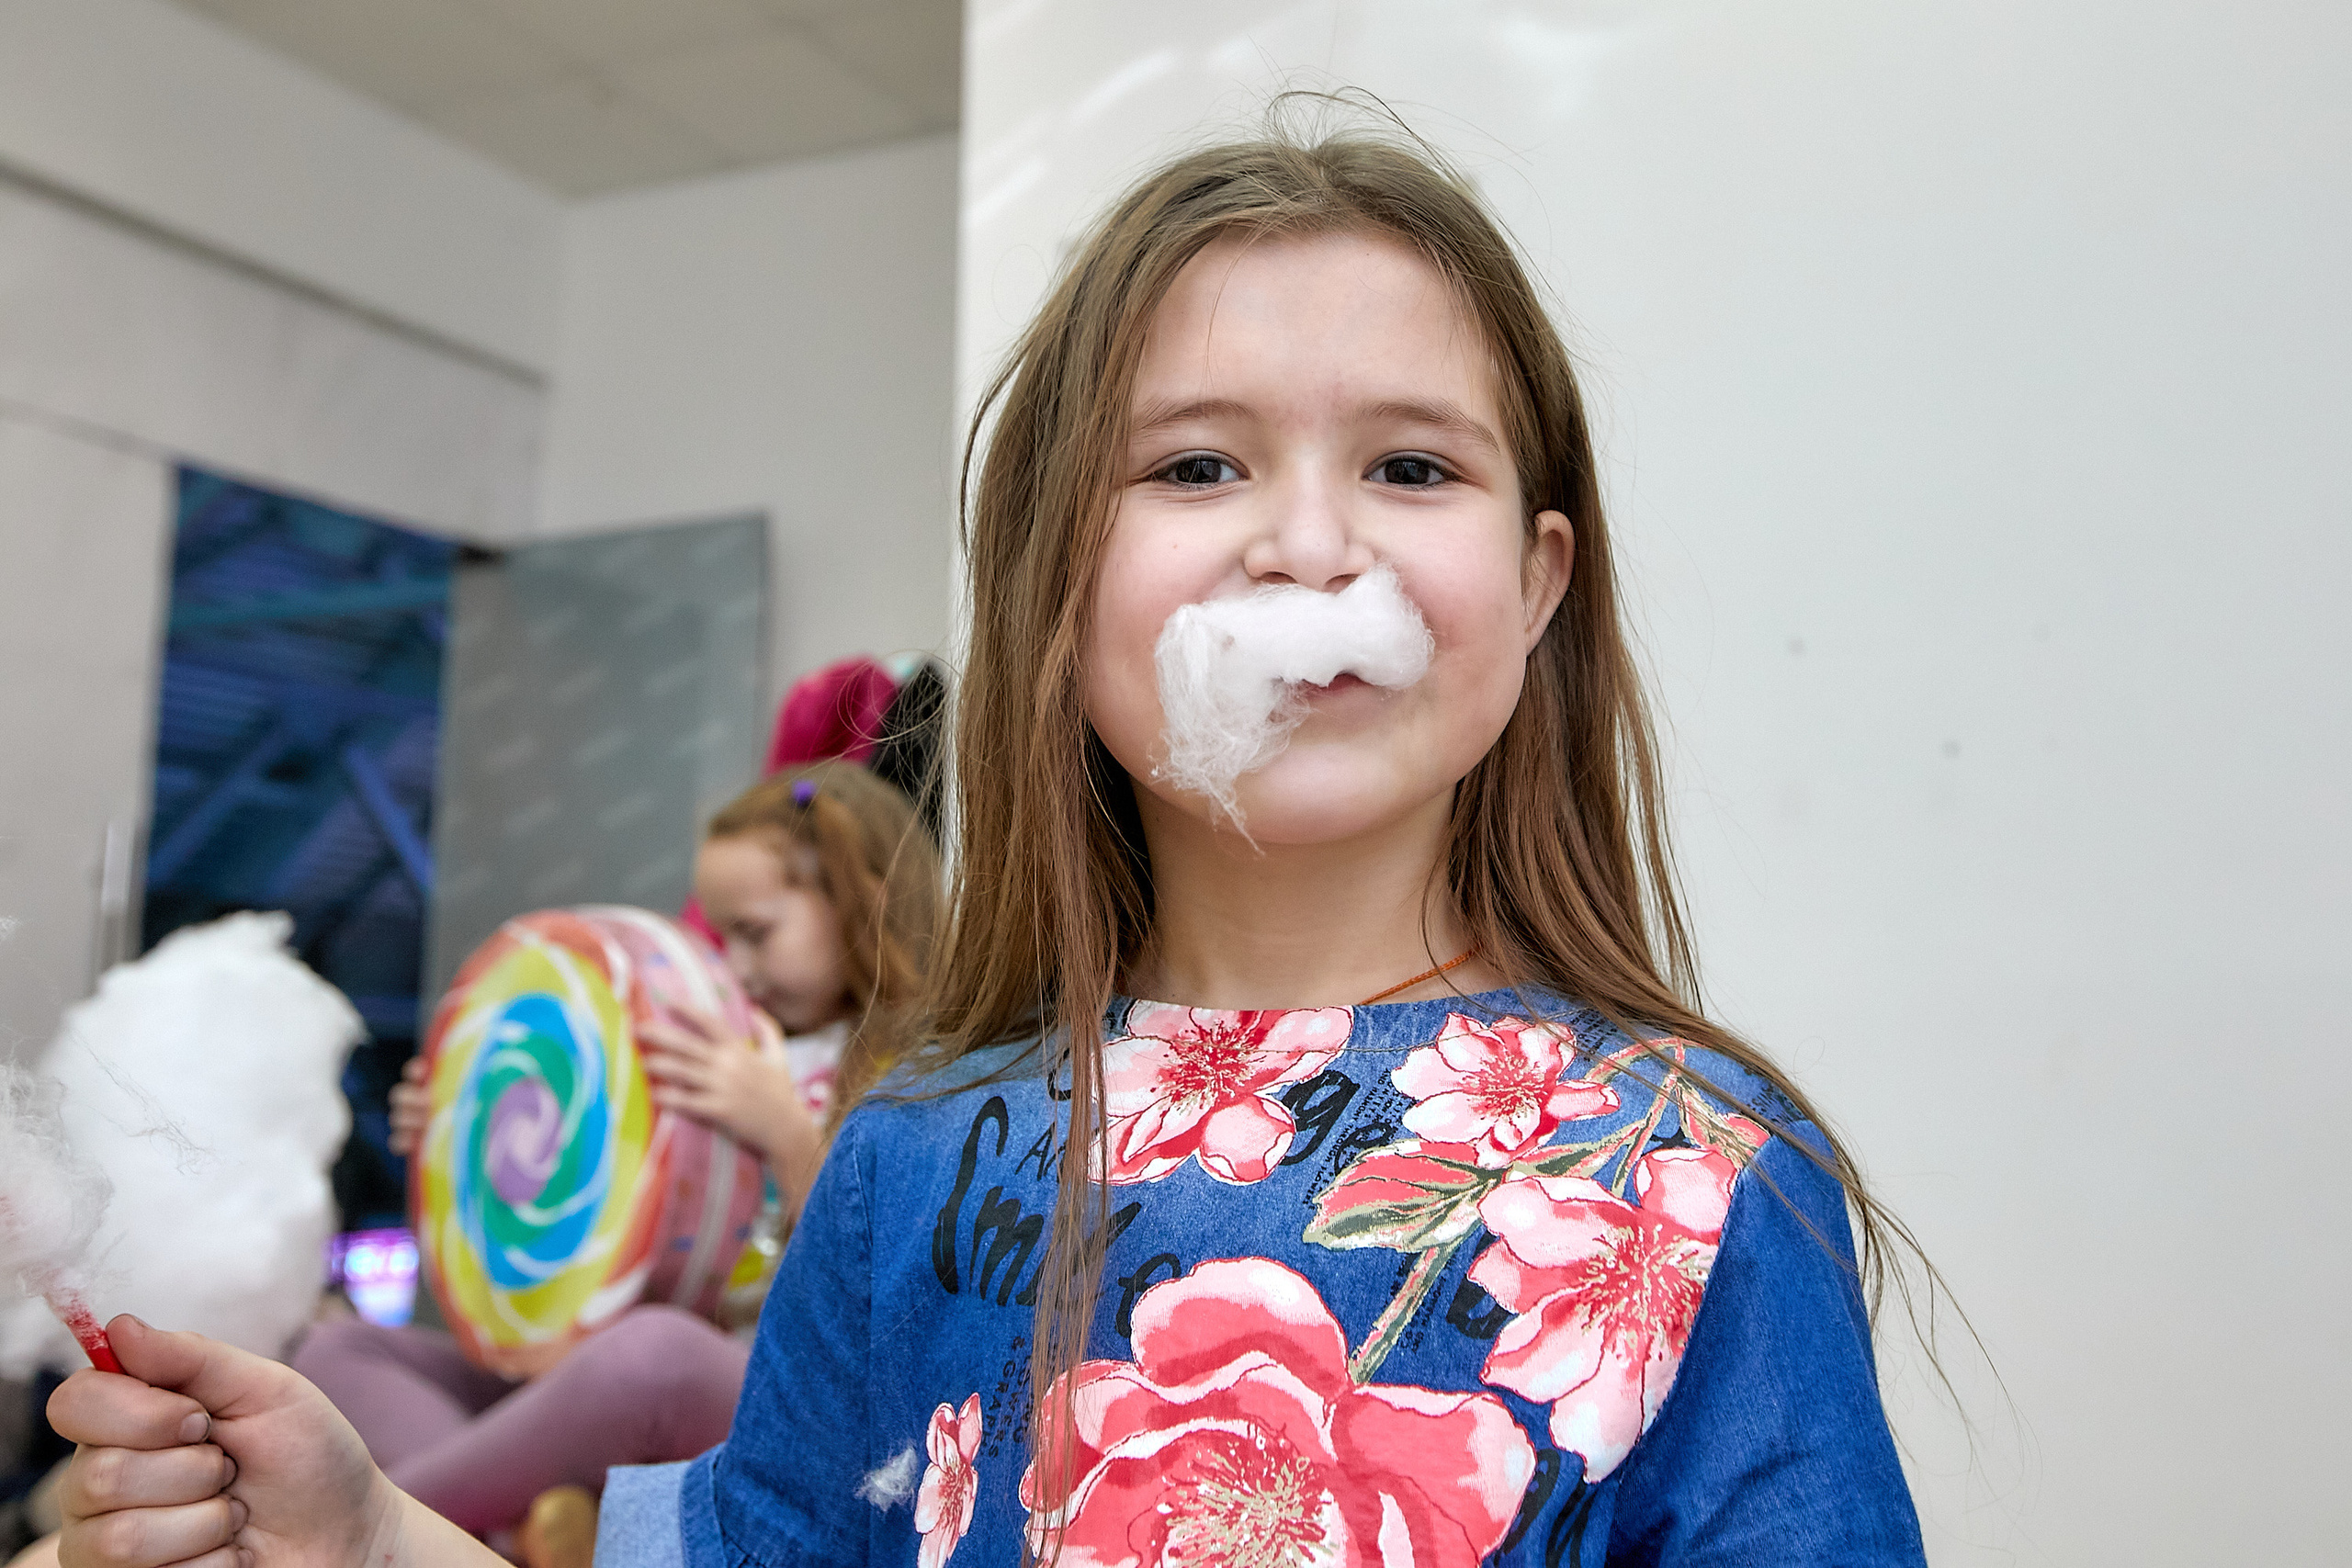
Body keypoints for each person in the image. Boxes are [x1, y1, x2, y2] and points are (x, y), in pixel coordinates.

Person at [43, 120, 1928, 1567]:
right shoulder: (905, 1157)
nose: (1304, 541)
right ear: (1054, 594)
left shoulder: (1702, 1183)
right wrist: (372, 1527)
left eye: (1409, 464)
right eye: (1196, 464)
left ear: (1529, 595)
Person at [284, 759, 938, 1557]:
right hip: (616, 1368)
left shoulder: (921, 1071)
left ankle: (369, 1519)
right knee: (341, 1348)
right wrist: (459, 1124)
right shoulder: (712, 1045)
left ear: (862, 901)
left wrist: (789, 1137)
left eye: (757, 932)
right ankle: (512, 1528)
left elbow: (899, 1303)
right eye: (719, 934)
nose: (733, 966)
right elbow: (623, 1227)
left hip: (782, 1398)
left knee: (654, 1355)